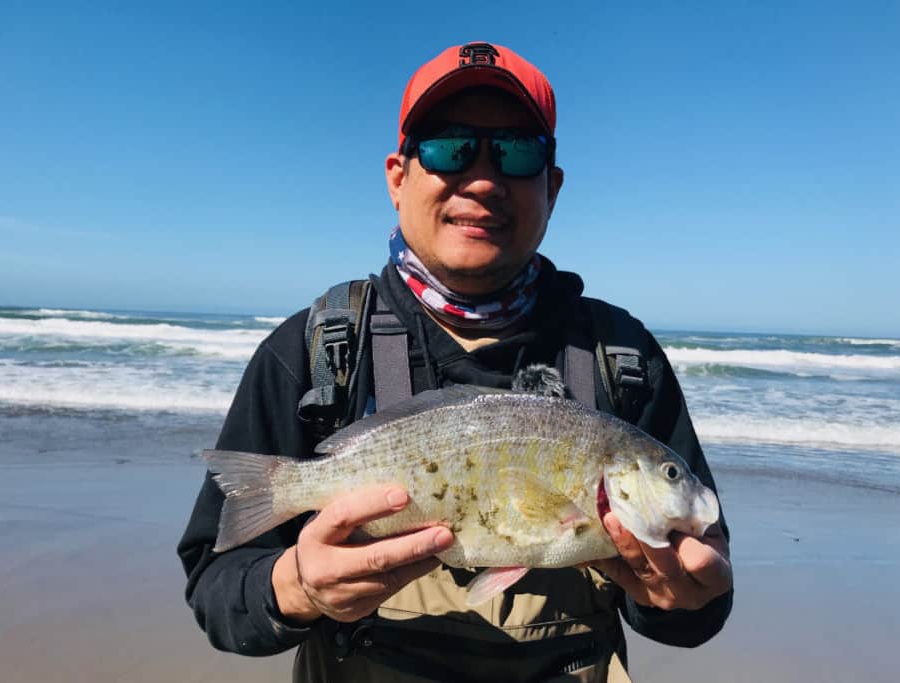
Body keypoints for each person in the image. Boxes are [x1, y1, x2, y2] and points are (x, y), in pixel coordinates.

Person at [178, 41, 733, 682]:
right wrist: (296, 586)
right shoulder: (314, 350)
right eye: (448, 147)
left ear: (551, 186)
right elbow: (216, 590)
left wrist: (684, 601)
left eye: (518, 151)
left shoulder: (622, 357)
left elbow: (697, 600)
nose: (483, 179)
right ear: (398, 176)